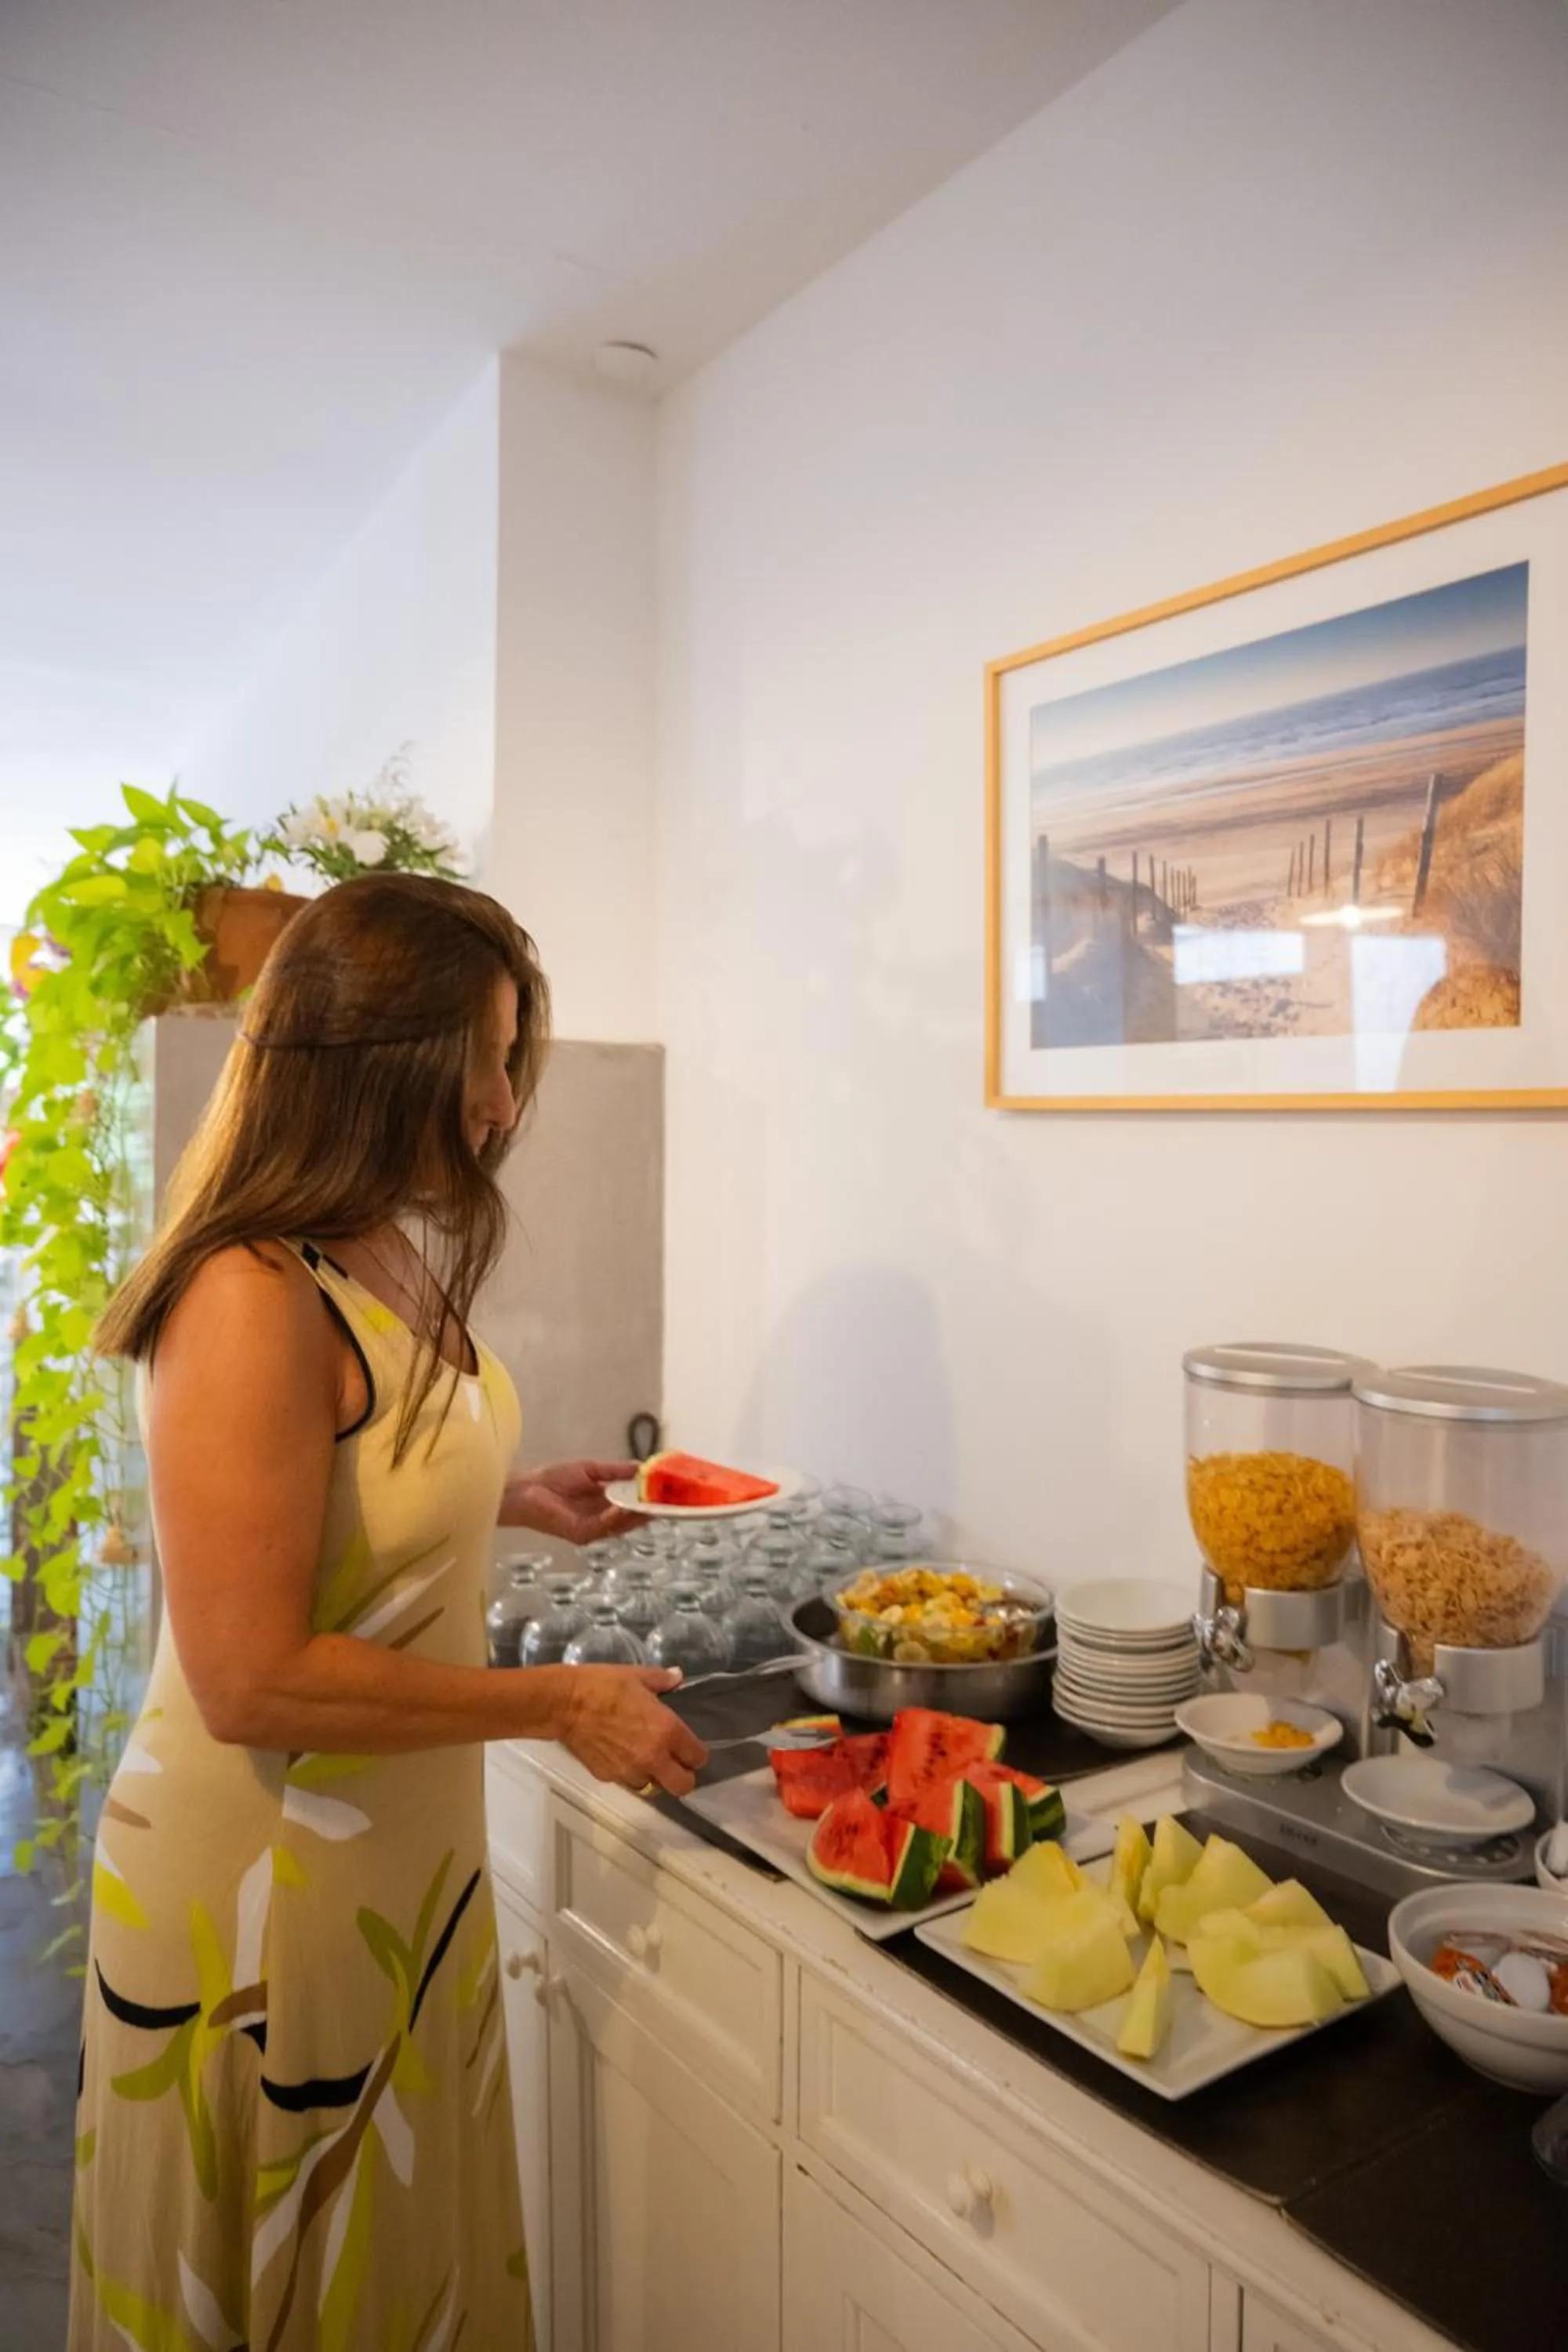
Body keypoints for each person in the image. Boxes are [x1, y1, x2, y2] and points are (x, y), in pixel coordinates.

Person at [69, 873, 706, 2351]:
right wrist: (558, 1700)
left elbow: (345, 1474)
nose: (501, 1106)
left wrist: (510, 1496)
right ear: (390, 1057)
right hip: (260, 1898)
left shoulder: (374, 1242)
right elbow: (250, 1678)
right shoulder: (245, 1287)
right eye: (488, 1059)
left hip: (391, 1872)